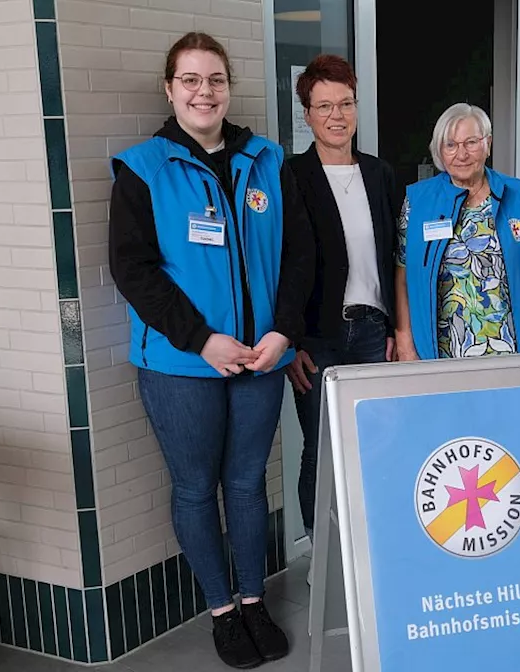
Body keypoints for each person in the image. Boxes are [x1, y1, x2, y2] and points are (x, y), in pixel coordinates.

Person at [107, 32, 313, 669]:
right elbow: (133, 269)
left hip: (261, 358)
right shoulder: (144, 168)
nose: (204, 91)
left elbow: (300, 254)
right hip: (181, 366)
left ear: (228, 88)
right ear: (170, 90)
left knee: (248, 486)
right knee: (197, 489)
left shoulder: (268, 161)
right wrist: (203, 340)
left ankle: (254, 601)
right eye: (191, 80)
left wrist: (283, 333)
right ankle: (222, 611)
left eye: (215, 79)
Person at [283, 55, 400, 569]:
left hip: (374, 333)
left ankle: (373, 556)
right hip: (318, 341)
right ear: (306, 114)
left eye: (346, 103)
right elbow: (276, 266)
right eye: (324, 106)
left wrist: (399, 326)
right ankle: (325, 561)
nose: (337, 115)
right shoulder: (289, 176)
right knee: (322, 451)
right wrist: (288, 342)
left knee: (376, 448)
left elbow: (395, 256)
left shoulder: (379, 173)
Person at [394, 103, 520, 360]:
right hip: (440, 353)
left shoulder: (519, 196)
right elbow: (403, 275)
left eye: (471, 142)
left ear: (487, 144)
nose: (462, 154)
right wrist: (404, 343)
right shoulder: (417, 200)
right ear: (439, 150)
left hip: (511, 349)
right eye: (451, 145)